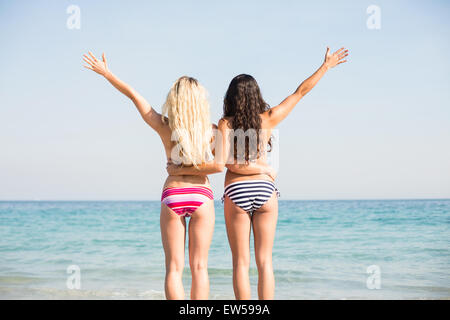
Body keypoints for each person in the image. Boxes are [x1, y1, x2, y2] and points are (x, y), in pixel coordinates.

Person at [167, 47, 349, 299]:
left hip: (236, 191)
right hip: (265, 191)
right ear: (257, 96)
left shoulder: (225, 124)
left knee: (241, 262)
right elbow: (301, 92)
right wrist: (325, 67)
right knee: (265, 262)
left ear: (230, 97)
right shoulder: (269, 118)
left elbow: (225, 163)